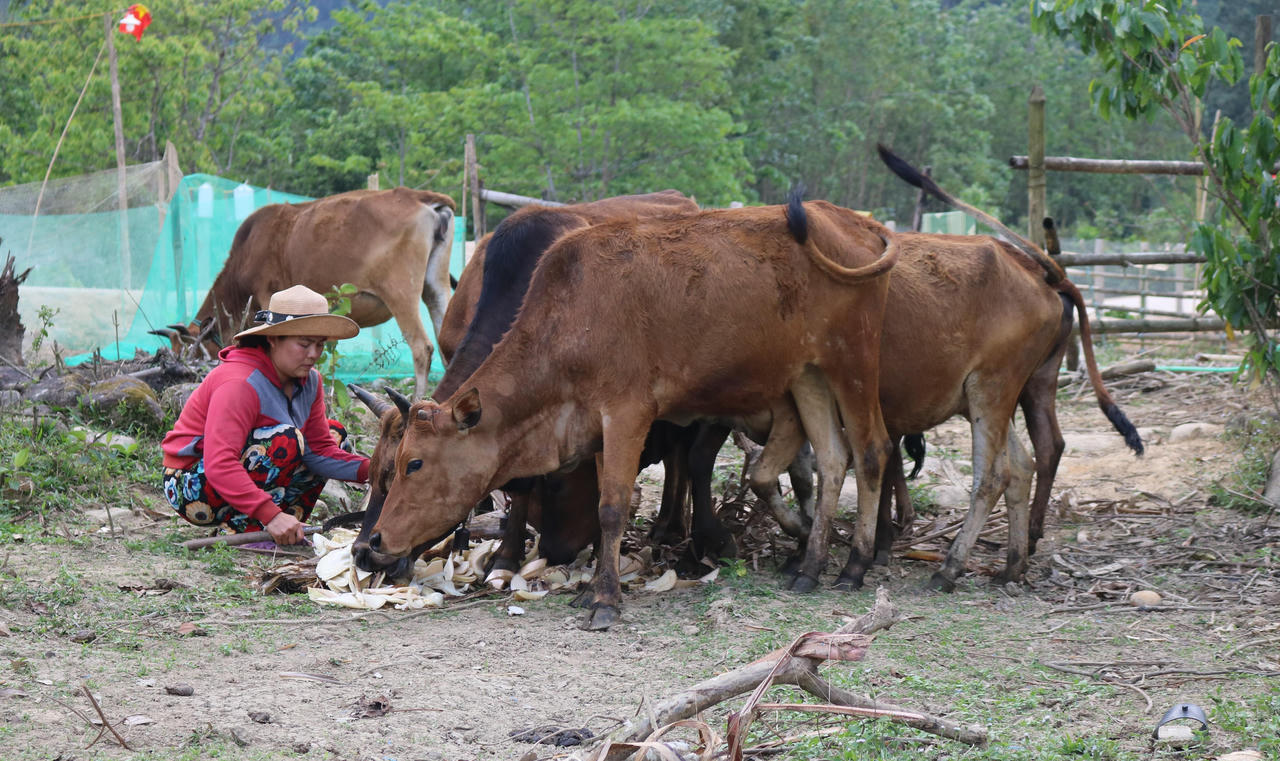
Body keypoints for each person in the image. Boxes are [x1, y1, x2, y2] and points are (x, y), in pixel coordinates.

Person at [161, 285, 370, 545]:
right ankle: (250, 529)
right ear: (273, 338)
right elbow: (219, 463)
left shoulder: (310, 382)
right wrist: (269, 514)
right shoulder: (240, 383)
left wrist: (376, 470)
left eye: (319, 344)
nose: (314, 354)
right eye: (304, 344)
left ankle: (283, 527)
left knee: (334, 434)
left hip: (237, 469)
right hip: (192, 485)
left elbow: (319, 451)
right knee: (287, 439)